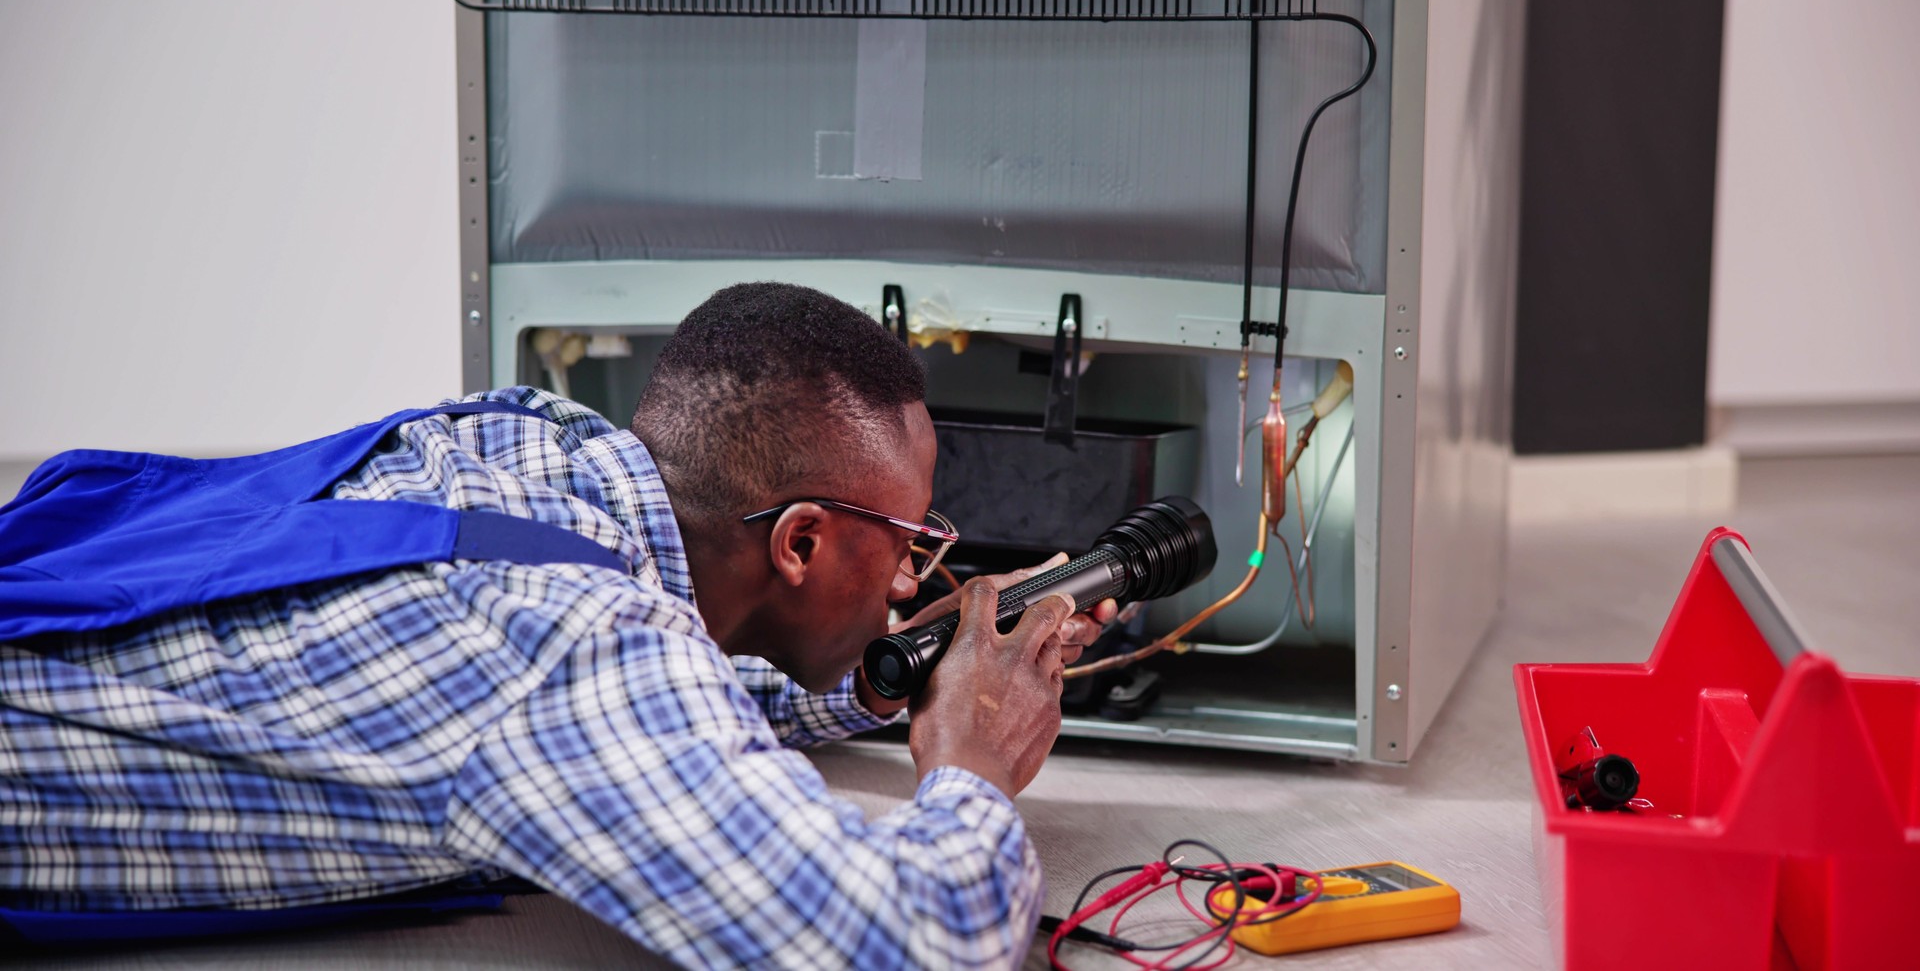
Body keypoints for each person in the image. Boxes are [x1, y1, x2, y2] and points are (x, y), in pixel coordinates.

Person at [0, 282, 1115, 967]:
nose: (914, 575)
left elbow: (665, 696)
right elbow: (908, 941)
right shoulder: (569, 653)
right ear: (801, 543)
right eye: (911, 543)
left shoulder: (530, 445)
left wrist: (882, 675)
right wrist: (970, 763)